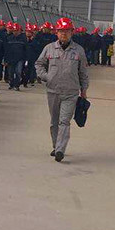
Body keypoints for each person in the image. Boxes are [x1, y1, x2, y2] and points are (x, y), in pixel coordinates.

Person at [35, 17, 89, 163]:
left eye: (67, 31)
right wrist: (46, 77)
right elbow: (39, 64)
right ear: (56, 33)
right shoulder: (49, 48)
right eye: (61, 31)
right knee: (54, 121)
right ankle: (55, 145)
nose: (64, 34)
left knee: (64, 121)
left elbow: (83, 72)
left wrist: (84, 90)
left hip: (70, 93)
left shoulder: (78, 51)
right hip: (53, 91)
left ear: (72, 32)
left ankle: (60, 149)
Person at [4, 22, 26, 91]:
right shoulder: (9, 38)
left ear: (19, 31)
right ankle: (11, 84)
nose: (15, 32)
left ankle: (17, 85)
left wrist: (25, 59)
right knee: (10, 73)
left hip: (20, 59)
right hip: (11, 59)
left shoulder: (23, 39)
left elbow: (26, 49)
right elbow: (6, 50)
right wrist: (5, 59)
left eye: (17, 30)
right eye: (14, 30)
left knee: (18, 72)